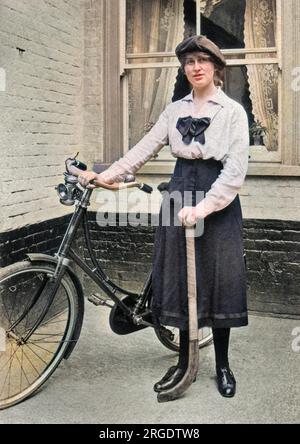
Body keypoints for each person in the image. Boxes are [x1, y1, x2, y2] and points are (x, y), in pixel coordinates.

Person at [78, 35, 250, 398]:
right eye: (190, 62)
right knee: (180, 281)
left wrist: (202, 208)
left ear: (216, 68)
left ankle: (222, 365)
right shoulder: (173, 111)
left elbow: (234, 172)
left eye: (203, 60)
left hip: (215, 199)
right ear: (184, 68)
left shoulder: (232, 112)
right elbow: (143, 149)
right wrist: (105, 175)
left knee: (217, 282)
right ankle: (185, 360)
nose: (196, 67)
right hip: (178, 192)